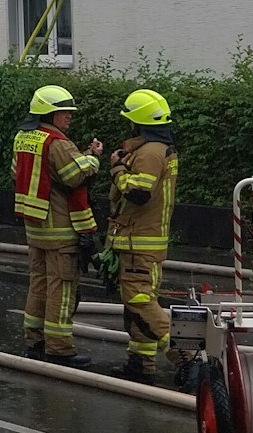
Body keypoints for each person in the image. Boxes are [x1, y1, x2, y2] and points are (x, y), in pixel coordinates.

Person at [12, 84, 102, 367]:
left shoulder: (23, 137)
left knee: (38, 285)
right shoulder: (58, 143)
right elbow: (74, 175)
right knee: (61, 290)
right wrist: (93, 158)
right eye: (64, 112)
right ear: (49, 113)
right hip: (60, 230)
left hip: (35, 227)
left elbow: (17, 172)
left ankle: (34, 341)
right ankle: (59, 348)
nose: (69, 116)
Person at [108, 88, 181, 383]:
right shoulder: (160, 149)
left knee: (139, 301)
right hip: (146, 240)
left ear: (137, 122)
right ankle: (140, 362)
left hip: (138, 241)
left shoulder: (150, 152)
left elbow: (138, 193)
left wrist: (117, 170)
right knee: (138, 304)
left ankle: (187, 357)